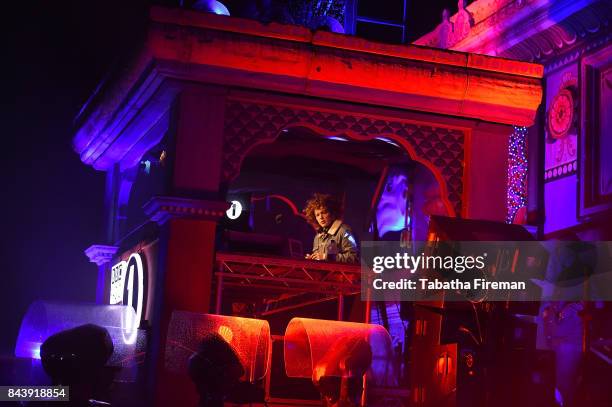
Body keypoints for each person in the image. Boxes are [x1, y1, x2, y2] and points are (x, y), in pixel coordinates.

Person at [303, 193, 358, 263]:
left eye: (324, 212)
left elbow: (353, 258)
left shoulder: (344, 231)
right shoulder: (317, 237)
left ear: (332, 213)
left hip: (339, 274)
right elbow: (319, 260)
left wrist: (326, 257)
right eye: (317, 215)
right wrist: (313, 258)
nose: (321, 217)